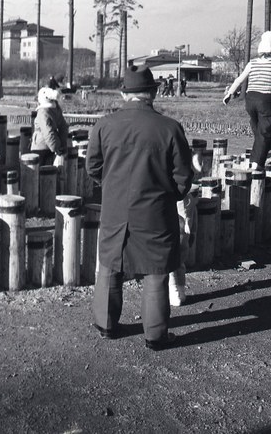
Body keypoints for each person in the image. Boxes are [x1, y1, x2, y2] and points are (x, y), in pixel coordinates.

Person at [86, 64, 194, 351]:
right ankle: (155, 336)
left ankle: (106, 325)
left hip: (115, 209)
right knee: (156, 271)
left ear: (124, 93)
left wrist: (112, 188)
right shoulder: (170, 128)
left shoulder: (103, 126)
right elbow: (183, 176)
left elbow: (93, 167)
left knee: (110, 265)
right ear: (153, 93)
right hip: (156, 211)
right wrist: (168, 195)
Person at [223, 30, 271, 170]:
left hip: (250, 99)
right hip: (265, 98)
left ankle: (265, 146)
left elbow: (240, 79)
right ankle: (257, 162)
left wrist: (230, 93)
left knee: (258, 128)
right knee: (264, 131)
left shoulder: (252, 62)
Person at [31, 86, 70, 166]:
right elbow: (63, 127)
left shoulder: (43, 112)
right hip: (53, 146)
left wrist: (55, 148)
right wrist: (62, 145)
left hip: (41, 147)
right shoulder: (56, 109)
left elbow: (47, 131)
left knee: (40, 173)